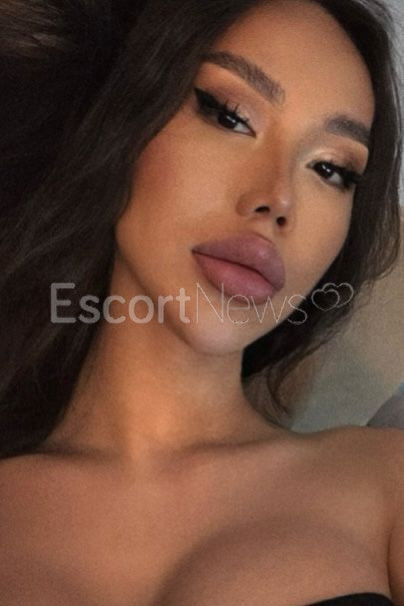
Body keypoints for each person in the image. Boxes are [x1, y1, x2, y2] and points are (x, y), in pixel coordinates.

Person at [0, 0, 403, 604]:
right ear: (120, 121)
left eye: (331, 169)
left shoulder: (387, 484)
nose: (278, 199)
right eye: (230, 116)